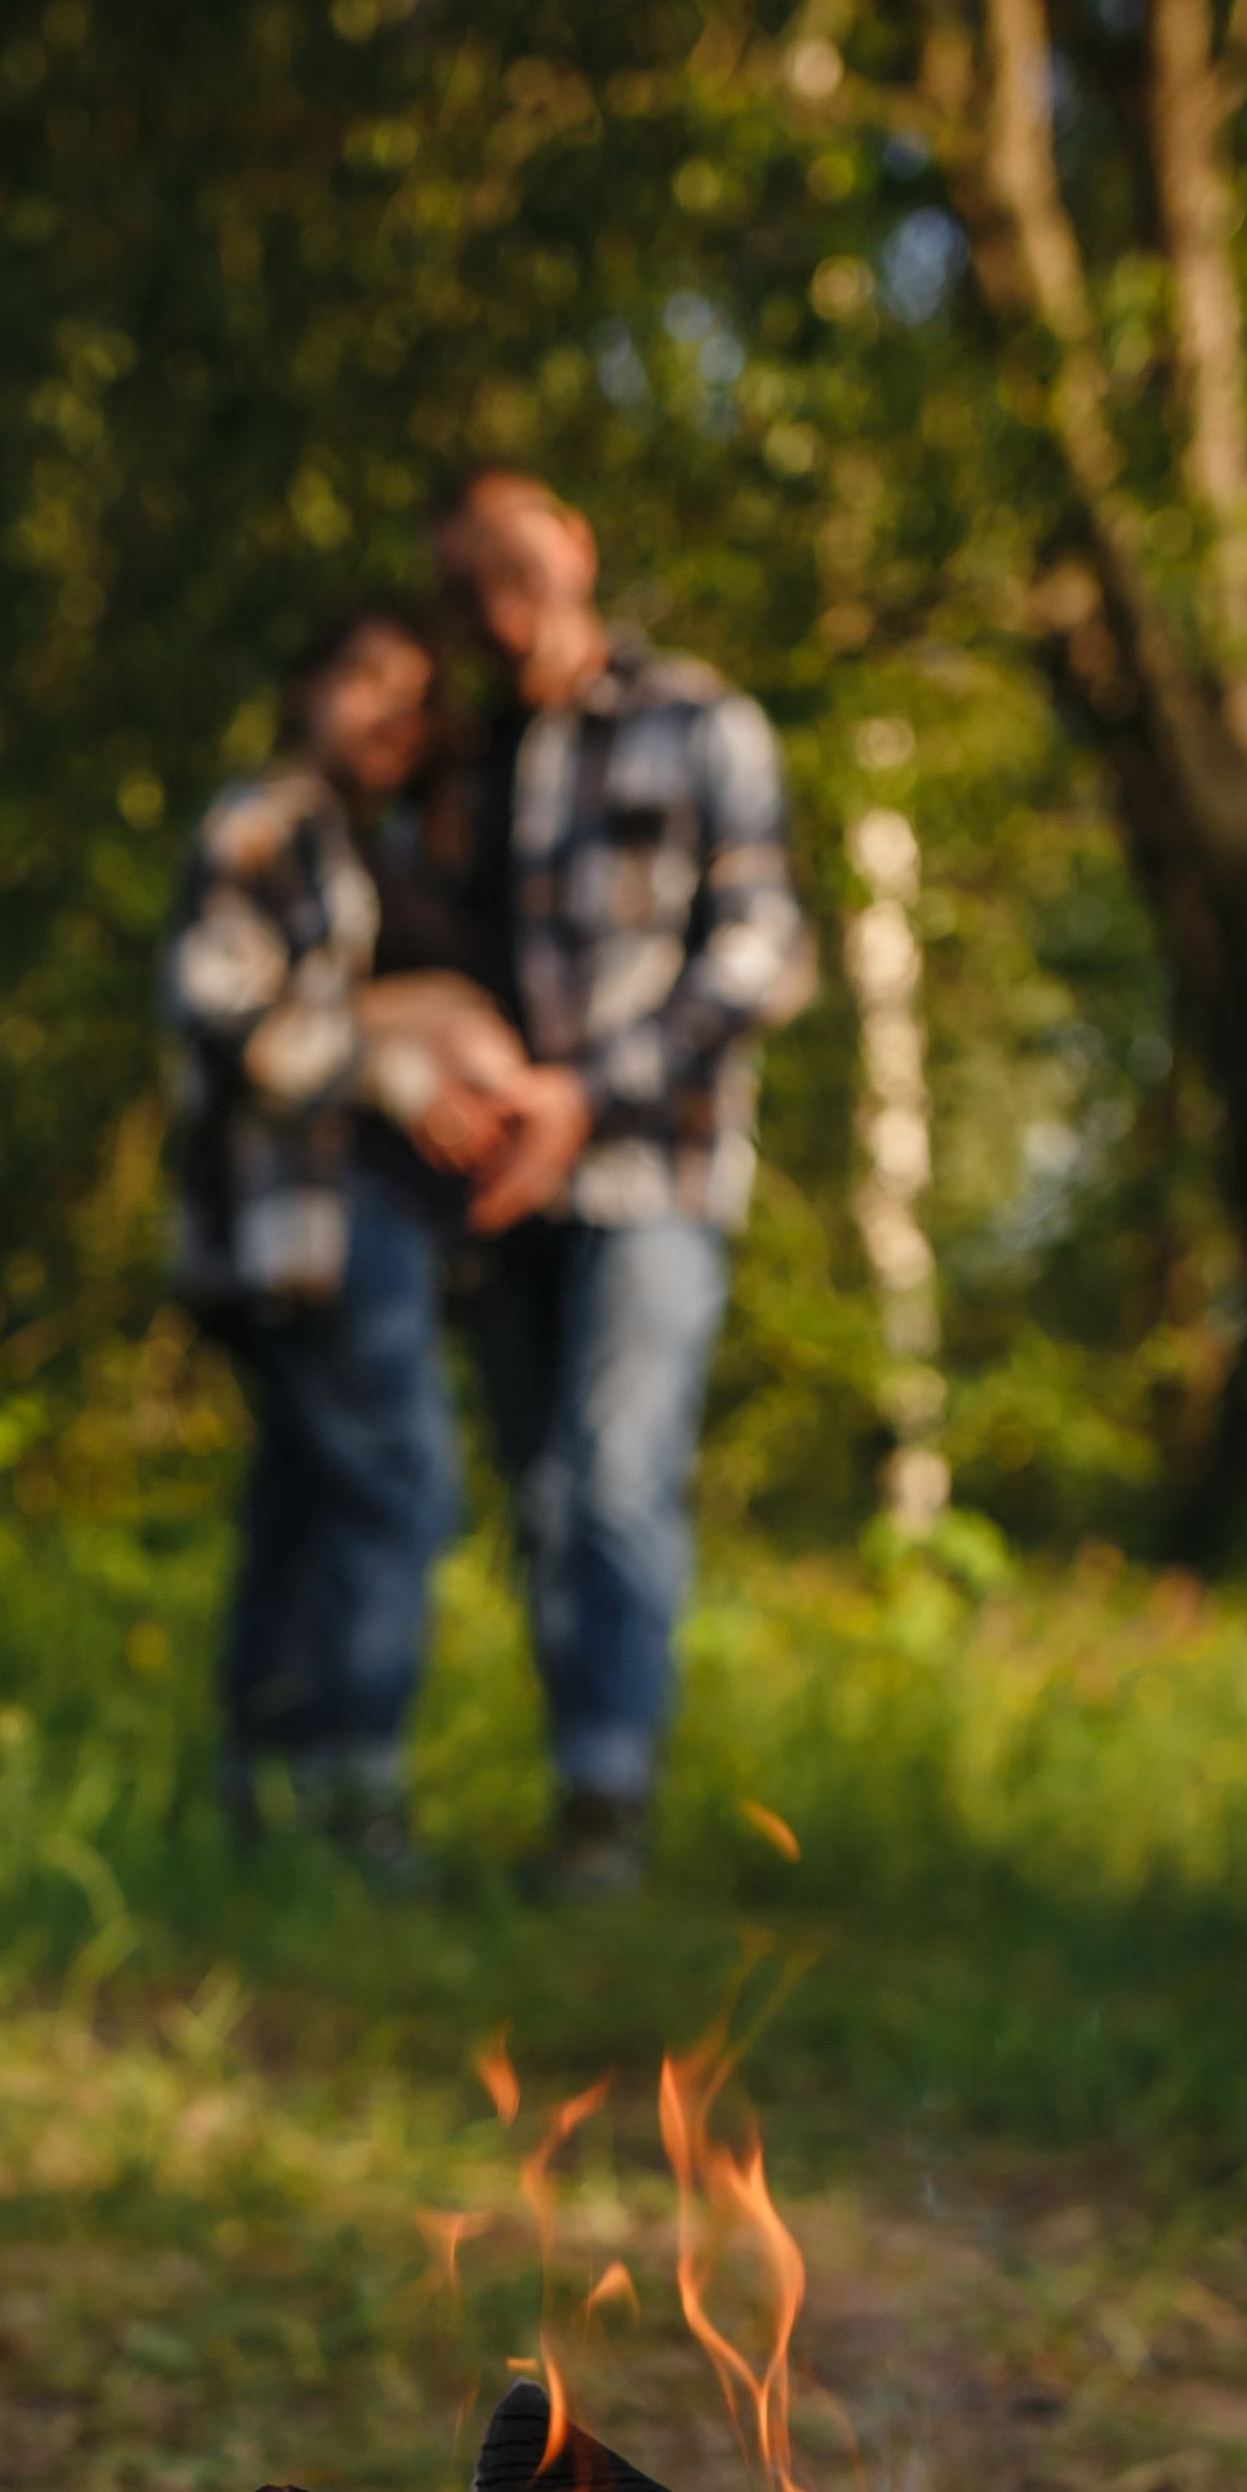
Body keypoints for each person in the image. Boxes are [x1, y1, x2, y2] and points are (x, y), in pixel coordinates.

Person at [429, 468, 815, 1895]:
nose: (496, 604)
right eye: (464, 586)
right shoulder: (462, 760)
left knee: (615, 1479)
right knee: (538, 1497)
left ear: (578, 546)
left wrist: (585, 1090)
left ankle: (610, 1800)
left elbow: (767, 951)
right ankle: (578, 1789)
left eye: (513, 565)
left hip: (655, 1170)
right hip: (500, 1198)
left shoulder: (699, 721)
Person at [163, 600, 527, 1871]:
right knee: (400, 1491)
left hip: (337, 1230)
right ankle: (350, 1797)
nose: (391, 714)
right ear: (308, 683)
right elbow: (227, 1015)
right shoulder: (269, 821)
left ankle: (253, 1794)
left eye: (418, 696)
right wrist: (394, 1066)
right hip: (305, 1227)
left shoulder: (364, 843)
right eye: (368, 678)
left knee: (308, 1498)